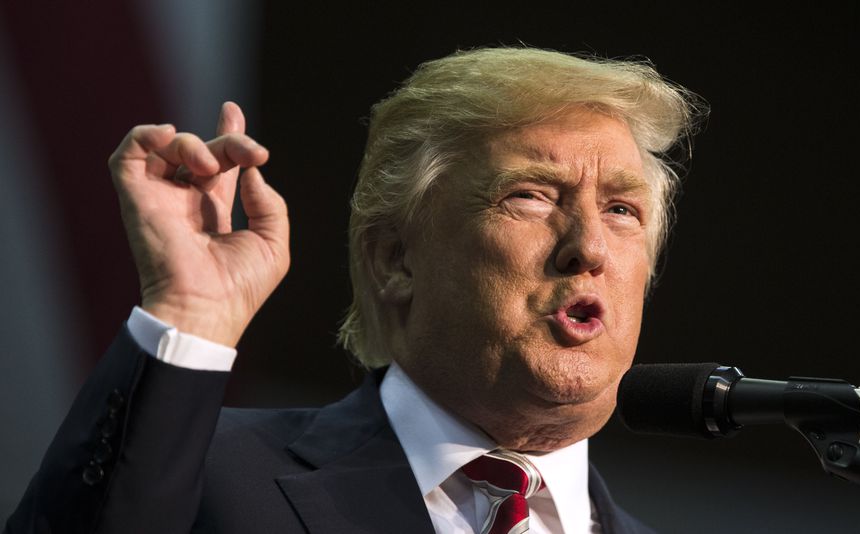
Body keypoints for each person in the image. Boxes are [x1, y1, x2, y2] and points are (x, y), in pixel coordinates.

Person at [6, 47, 698, 533]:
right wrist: (190, 315)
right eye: (530, 195)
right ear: (396, 258)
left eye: (622, 210)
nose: (589, 247)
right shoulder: (208, 480)